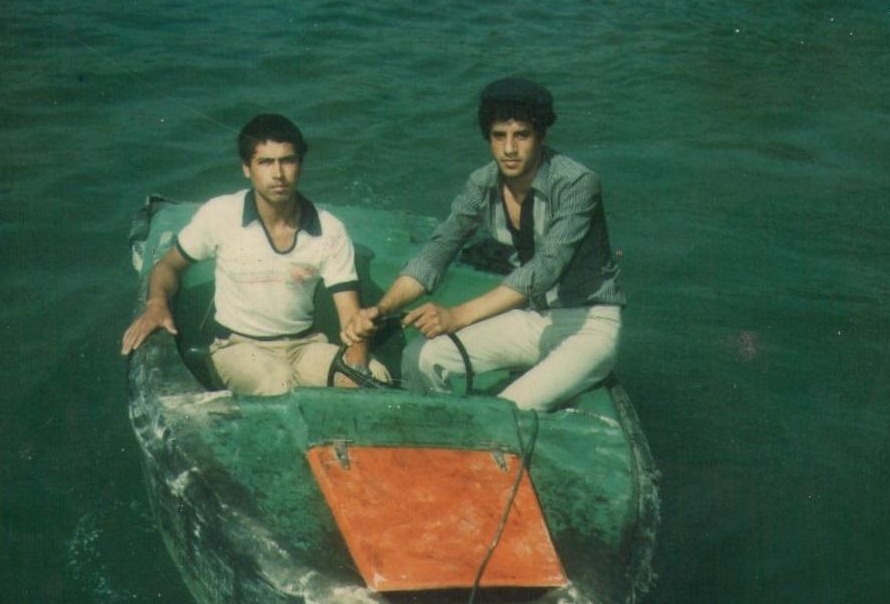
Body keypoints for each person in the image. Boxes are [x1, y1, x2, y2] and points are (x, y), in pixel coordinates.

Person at [341, 78, 625, 411]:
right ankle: (440, 431)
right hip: (535, 318)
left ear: (542, 136)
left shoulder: (576, 182)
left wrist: (458, 316)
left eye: (522, 135)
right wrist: (381, 309)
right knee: (421, 357)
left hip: (589, 325)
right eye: (499, 136)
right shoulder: (483, 183)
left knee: (508, 408)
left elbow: (546, 267)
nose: (509, 149)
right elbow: (437, 251)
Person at [122, 113, 389, 395]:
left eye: (288, 160)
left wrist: (356, 369)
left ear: (300, 165)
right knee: (279, 384)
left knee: (376, 376)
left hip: (306, 345)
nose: (278, 174)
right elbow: (168, 266)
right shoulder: (221, 214)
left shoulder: (330, 229)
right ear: (247, 168)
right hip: (238, 346)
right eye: (265, 162)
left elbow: (351, 316)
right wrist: (156, 305)